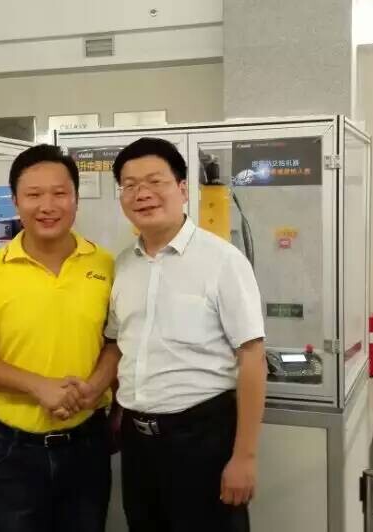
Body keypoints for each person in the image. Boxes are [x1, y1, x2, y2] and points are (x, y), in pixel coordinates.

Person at [0, 144, 120, 532]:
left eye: (60, 193)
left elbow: (116, 342)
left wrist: (95, 387)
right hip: (13, 451)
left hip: (87, 443)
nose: (47, 206)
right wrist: (39, 386)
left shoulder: (106, 265)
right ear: (15, 201)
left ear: (76, 198)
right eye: (33, 195)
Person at [105, 137, 268, 532]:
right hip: (137, 443)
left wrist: (244, 457)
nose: (142, 194)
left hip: (202, 439)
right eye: (130, 185)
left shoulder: (223, 261)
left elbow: (252, 357)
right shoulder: (123, 265)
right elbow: (119, 345)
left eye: (155, 181)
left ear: (182, 188)